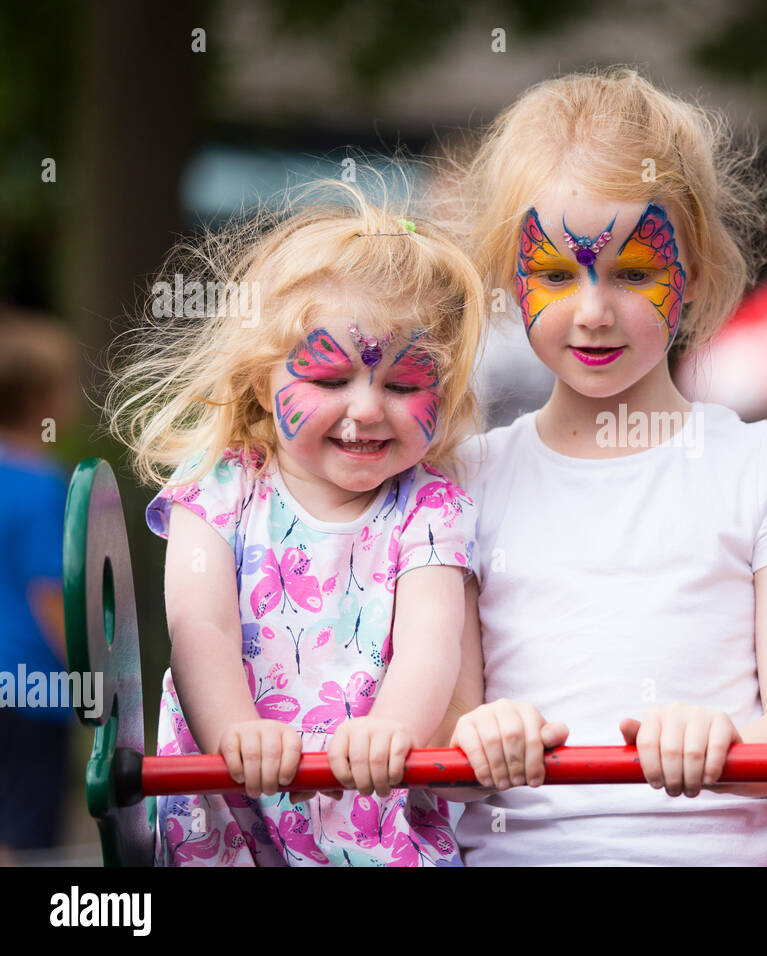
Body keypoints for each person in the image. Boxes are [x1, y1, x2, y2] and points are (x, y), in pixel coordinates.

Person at [442, 68, 767, 866]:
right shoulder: (462, 483)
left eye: (633, 272)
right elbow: (437, 754)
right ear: (509, 280)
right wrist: (475, 737)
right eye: (555, 272)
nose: (593, 310)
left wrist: (729, 747)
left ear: (692, 273)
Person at [102, 174, 484, 865]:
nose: (367, 409)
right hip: (229, 814)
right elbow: (201, 626)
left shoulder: (430, 510)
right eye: (330, 378)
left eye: (404, 384)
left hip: (372, 817)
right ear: (260, 379)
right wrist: (237, 731)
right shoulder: (220, 493)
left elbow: (433, 642)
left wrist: (394, 728)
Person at [0, 309, 79, 862]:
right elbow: (53, 597)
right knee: (25, 835)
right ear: (43, 400)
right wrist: (97, 684)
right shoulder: (44, 485)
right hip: (32, 690)